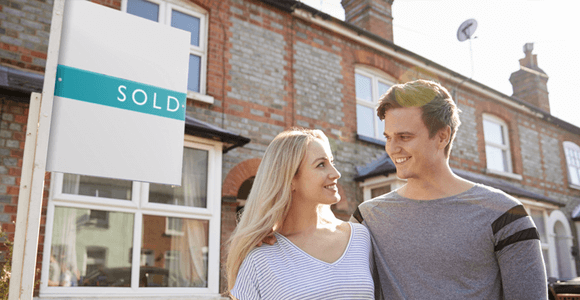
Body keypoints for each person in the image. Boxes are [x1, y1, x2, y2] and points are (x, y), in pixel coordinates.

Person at [351, 79, 547, 299]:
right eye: (388, 138)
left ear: (442, 136)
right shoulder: (366, 218)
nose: (393, 148)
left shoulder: (506, 215)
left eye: (404, 137)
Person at [226, 128, 375, 300]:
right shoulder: (260, 258)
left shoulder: (360, 238)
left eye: (332, 162)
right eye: (321, 164)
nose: (336, 173)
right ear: (289, 180)